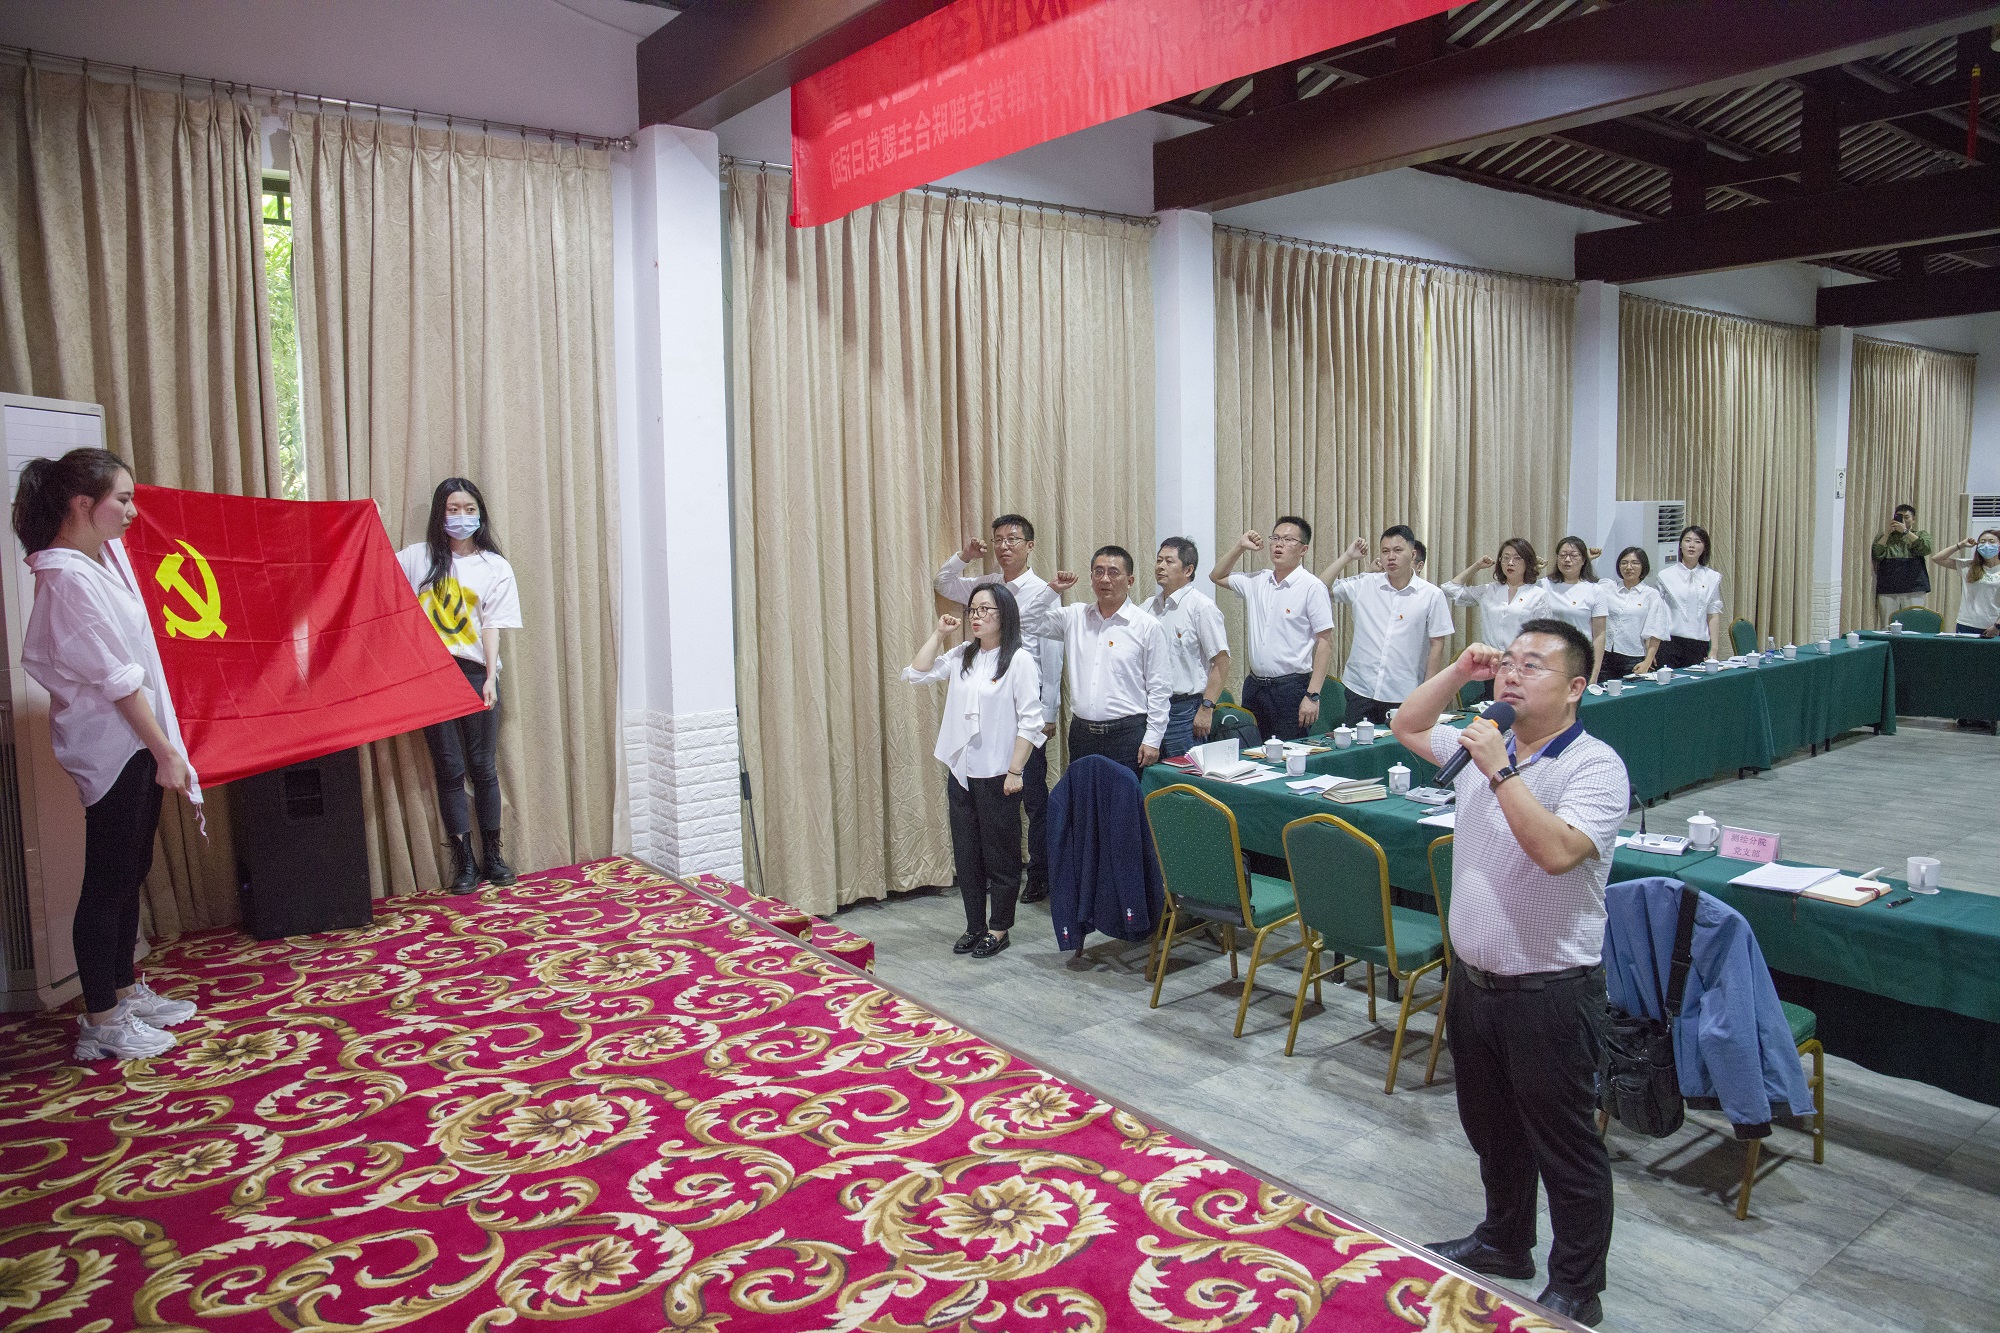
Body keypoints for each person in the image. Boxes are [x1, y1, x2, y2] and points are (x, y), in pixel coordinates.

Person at [1390, 618, 1629, 1329]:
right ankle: (1503, 1239)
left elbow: (1556, 853)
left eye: (1533, 665)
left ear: (1576, 686)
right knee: (1490, 1127)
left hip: (1550, 990)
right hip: (1475, 981)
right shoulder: (1483, 742)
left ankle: (1577, 1286)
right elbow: (1407, 724)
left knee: (1566, 1146)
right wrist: (1459, 672)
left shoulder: (1594, 765)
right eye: (1508, 662)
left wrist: (1500, 769)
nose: (1512, 675)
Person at [14, 449, 201, 1062]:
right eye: (122, 499)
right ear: (81, 505)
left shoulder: (93, 565)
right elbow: (117, 679)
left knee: (130, 870)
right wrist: (164, 750)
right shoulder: (67, 578)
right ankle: (101, 1019)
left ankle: (121, 989)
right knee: (109, 879)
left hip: (133, 742)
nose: (131, 511)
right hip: (113, 747)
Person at [902, 583, 1045, 959]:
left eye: (985, 610)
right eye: (973, 610)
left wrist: (1016, 770)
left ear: (1005, 615)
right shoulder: (964, 653)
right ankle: (974, 925)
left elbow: (1031, 721)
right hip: (962, 772)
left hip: (999, 772)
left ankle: (999, 928)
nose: (976, 617)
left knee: (1001, 855)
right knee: (967, 855)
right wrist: (939, 634)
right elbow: (916, 673)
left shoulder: (1018, 660)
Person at [399, 478, 523, 895]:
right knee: (449, 770)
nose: (461, 517)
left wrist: (489, 677)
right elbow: (372, 569)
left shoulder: (494, 567)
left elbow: (491, 625)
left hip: (474, 673)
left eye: (469, 509)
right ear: (440, 514)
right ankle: (464, 861)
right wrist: (368, 519)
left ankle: (494, 857)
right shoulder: (417, 558)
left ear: (480, 514)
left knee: (483, 767)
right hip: (431, 677)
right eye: (453, 509)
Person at [936, 514, 1061, 903]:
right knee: (989, 804)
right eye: (998, 540)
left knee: (1033, 797)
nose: (1004, 546)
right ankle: (992, 874)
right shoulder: (987, 586)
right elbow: (944, 582)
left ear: (1030, 545)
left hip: (1025, 714)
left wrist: (1048, 713)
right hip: (988, 715)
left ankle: (1038, 873)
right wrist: (965, 556)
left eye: (1013, 539)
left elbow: (1051, 657)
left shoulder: (1043, 590)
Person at [1210, 517, 1335, 740]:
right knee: (1253, 751)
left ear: (1303, 549)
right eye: (1275, 538)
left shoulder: (1312, 587)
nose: (1279, 544)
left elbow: (1325, 642)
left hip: (1291, 689)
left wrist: (1313, 695)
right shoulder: (1259, 580)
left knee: (1289, 752)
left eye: (1288, 540)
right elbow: (1216, 576)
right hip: (1255, 686)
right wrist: (1240, 546)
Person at [1049, 547, 1170, 775]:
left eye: (1113, 572)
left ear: (1130, 581)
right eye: (1098, 572)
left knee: (1126, 797)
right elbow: (1025, 622)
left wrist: (1153, 739)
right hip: (1082, 735)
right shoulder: (1074, 617)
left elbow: (1159, 688)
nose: (1104, 579)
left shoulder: (1146, 626)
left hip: (1128, 736)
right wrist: (1051, 591)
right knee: (1084, 796)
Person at [1318, 526, 1455, 724]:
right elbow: (1319, 589)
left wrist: (1428, 692)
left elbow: (1437, 644)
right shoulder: (1366, 584)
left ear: (1412, 554)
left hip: (1404, 692)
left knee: (1399, 744)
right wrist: (1347, 556)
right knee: (1358, 743)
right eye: (1385, 551)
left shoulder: (1432, 595)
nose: (1391, 557)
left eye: (1397, 550)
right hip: (1361, 688)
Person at [1146, 538, 1230, 759]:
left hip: (1184, 710)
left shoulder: (1201, 607)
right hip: (1150, 708)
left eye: (1169, 561)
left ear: (1188, 570)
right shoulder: (1147, 607)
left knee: (1184, 772)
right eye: (1159, 560)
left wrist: (1207, 708)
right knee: (1152, 773)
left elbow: (1221, 662)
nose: (1160, 566)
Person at [1651, 524, 1724, 668]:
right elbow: (1656, 614)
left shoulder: (1711, 577)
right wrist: (1650, 649)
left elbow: (1713, 614)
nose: (1691, 545)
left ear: (1704, 547)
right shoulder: (1665, 575)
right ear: (1680, 545)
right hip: (1669, 643)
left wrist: (1714, 649)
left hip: (1698, 644)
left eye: (1697, 542)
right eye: (1687, 540)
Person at [1538, 536, 1608, 686]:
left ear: (1584, 560)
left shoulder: (1595, 590)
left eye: (1574, 555)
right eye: (1562, 555)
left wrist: (1594, 673)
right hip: (1549, 656)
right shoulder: (1544, 585)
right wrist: (1534, 568)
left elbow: (1599, 635)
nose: (1567, 560)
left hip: (1580, 657)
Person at [1598, 546, 1671, 679]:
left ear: (1643, 567)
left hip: (1633, 657)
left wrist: (1647, 662)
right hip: (1605, 655)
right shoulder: (1607, 587)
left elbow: (1655, 632)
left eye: (1635, 563)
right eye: (1624, 563)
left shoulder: (1651, 595)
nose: (1628, 567)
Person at [1872, 503, 1933, 628]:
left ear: (1913, 520)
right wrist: (1887, 533)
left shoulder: (1920, 534)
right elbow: (1877, 554)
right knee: (1887, 625)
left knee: (1913, 624)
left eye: (1906, 517)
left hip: (1914, 587)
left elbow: (1925, 549)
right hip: (1888, 587)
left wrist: (1905, 531)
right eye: (1899, 517)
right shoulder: (1885, 536)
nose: (1903, 520)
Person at [1932, 529, 2000, 637]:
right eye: (1982, 542)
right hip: (1967, 623)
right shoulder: (1968, 566)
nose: (1986, 545)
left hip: (1993, 625)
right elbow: (1937, 558)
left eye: (1991, 541)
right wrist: (1960, 545)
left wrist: (1997, 626)